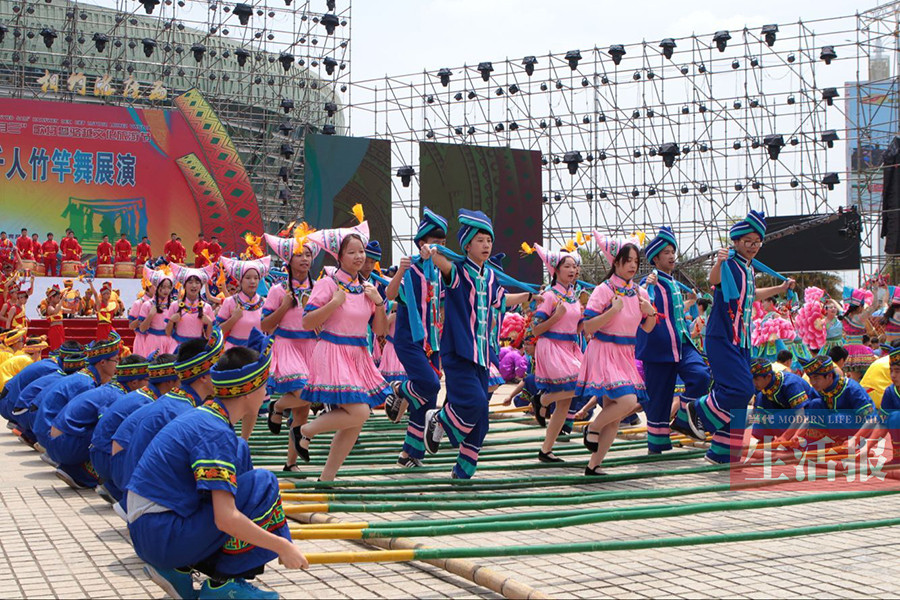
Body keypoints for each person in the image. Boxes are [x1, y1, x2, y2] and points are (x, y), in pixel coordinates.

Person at [127, 331, 306, 599]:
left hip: (152, 530)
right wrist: (282, 546)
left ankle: (182, 569)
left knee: (241, 455)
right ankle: (224, 585)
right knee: (263, 483)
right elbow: (225, 518)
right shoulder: (214, 432)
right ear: (248, 391)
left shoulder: (208, 418)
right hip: (161, 535)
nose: (268, 392)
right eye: (264, 385)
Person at [672, 211, 795, 463]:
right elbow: (713, 281)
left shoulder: (748, 270)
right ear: (736, 241)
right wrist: (718, 262)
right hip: (722, 336)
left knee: (732, 394)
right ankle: (697, 411)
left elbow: (752, 295)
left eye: (757, 242)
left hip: (742, 341)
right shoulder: (730, 263)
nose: (753, 246)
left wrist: (781, 289)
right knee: (742, 389)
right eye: (747, 241)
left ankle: (721, 452)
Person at [422, 209, 533, 479]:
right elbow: (443, 266)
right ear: (467, 245)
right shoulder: (459, 272)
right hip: (459, 351)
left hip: (483, 354)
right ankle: (439, 419)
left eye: (489, 240)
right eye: (480, 240)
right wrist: (432, 252)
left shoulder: (492, 277)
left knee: (482, 417)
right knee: (473, 402)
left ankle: (463, 470)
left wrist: (529, 295)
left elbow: (500, 301)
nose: (486, 245)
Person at [295, 219, 392, 481]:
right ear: (339, 257)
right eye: (352, 252)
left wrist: (380, 303)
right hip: (333, 351)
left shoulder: (367, 288)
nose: (359, 257)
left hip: (358, 354)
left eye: (361, 251)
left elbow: (380, 331)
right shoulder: (328, 284)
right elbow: (307, 321)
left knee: (356, 420)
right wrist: (334, 303)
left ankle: (327, 479)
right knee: (360, 412)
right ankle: (305, 431)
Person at [576, 234, 657, 475]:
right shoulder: (604, 290)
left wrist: (650, 312)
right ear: (616, 262)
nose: (633, 265)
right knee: (628, 401)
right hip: (604, 351)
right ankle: (591, 427)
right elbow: (587, 327)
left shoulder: (640, 293)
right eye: (628, 260)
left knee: (615, 416)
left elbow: (648, 328)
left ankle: (594, 465)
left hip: (625, 354)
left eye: (635, 260)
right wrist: (613, 311)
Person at [112, 330, 224, 501]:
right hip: (151, 504)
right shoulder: (183, 411)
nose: (223, 375)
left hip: (136, 491)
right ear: (203, 376)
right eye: (218, 368)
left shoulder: (175, 401)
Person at [383, 208, 449, 468]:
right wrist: (400, 271)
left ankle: (409, 454)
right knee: (430, 385)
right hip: (409, 340)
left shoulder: (439, 273)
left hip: (432, 344)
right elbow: (389, 294)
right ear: (423, 243)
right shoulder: (411, 269)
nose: (440, 248)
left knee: (428, 400)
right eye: (436, 243)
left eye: (443, 244)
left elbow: (442, 306)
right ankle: (399, 389)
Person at [637, 227, 711, 455]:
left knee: (701, 376)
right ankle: (657, 447)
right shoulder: (648, 282)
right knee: (658, 397)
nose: (671, 256)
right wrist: (645, 285)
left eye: (673, 252)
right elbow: (640, 302)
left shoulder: (673, 282)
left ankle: (681, 418)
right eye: (666, 252)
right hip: (658, 346)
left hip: (682, 343)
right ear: (655, 259)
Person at [520, 242, 584, 462]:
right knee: (577, 385)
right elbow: (534, 329)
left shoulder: (573, 295)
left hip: (570, 347)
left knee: (566, 403)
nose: (572, 270)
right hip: (552, 346)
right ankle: (543, 399)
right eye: (567, 266)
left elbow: (575, 326)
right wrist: (556, 318)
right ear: (556, 270)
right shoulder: (549, 296)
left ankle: (546, 450)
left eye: (574, 267)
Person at [261, 230, 319, 472]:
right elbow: (265, 326)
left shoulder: (319, 287)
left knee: (303, 410)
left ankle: (290, 462)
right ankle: (277, 407)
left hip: (311, 347)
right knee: (304, 391)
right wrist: (285, 306)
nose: (304, 259)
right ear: (288, 260)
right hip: (287, 345)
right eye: (298, 255)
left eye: (308, 254)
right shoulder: (278, 290)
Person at [47, 354, 149, 490]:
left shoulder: (110, 389)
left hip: (57, 440)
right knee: (111, 431)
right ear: (135, 382)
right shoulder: (116, 395)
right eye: (148, 381)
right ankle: (86, 474)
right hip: (65, 445)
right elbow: (105, 428)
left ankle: (73, 468)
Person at [90, 353, 178, 502]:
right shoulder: (147, 402)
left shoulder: (142, 396)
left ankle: (113, 488)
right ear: (169, 382)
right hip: (106, 457)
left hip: (101, 454)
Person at [32, 333, 121, 455]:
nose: (117, 364)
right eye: (115, 360)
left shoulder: (85, 377)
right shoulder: (86, 384)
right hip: (48, 433)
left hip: (43, 428)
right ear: (102, 362)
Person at [9, 342, 85, 446]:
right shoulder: (55, 370)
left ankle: (29, 434)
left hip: (16, 406)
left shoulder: (51, 364)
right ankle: (48, 443)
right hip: (18, 409)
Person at [796, 355, 877, 446]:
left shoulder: (852, 388)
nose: (813, 382)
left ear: (830, 376)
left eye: (816, 378)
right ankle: (817, 444)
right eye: (810, 378)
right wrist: (797, 436)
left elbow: (872, 419)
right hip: (834, 427)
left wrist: (855, 439)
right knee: (815, 405)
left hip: (859, 431)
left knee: (835, 419)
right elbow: (810, 417)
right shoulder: (818, 389)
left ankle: (848, 443)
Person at [747, 358, 817, 444]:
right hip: (786, 411)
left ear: (768, 376)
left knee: (774, 419)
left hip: (808, 416)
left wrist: (784, 437)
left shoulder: (790, 384)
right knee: (759, 412)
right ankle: (767, 441)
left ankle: (791, 441)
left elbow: (801, 415)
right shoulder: (761, 388)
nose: (753, 382)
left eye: (756, 379)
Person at [167, 264, 215, 344]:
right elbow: (168, 333)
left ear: (201, 286)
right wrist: (171, 321)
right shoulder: (175, 305)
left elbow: (209, 337)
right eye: (190, 282)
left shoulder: (207, 307)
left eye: (197, 282)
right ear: (184, 285)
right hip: (178, 348)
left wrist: (209, 323)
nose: (194, 286)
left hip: (197, 349)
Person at [138, 266, 177, 355]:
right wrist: (150, 316)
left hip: (170, 341)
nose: (166, 290)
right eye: (163, 287)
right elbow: (142, 328)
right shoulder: (147, 305)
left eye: (168, 287)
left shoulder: (174, 305)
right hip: (153, 341)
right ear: (156, 286)